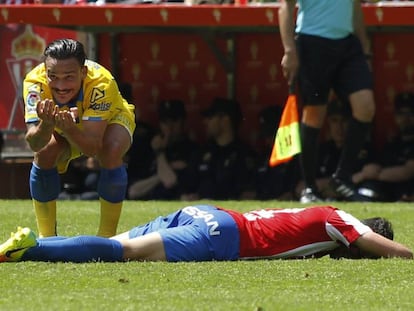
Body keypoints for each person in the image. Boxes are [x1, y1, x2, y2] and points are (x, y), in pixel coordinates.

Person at [1, 204, 412, 263]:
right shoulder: (341, 220)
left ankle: (32, 242)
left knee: (120, 244)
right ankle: (28, 251)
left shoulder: (316, 215)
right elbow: (375, 242)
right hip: (222, 233)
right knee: (120, 251)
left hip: (206, 211)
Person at [23, 38, 136, 237]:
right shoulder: (34, 83)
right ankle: (47, 237)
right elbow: (35, 143)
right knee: (45, 152)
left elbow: (92, 149)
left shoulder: (102, 82)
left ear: (83, 73)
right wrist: (47, 124)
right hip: (63, 124)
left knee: (110, 150)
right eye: (53, 76)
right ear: (44, 70)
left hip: (111, 119)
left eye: (68, 77)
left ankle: (106, 238)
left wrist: (70, 129)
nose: (60, 85)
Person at [278, 0, 376, 203]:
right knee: (314, 115)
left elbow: (355, 9)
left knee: (366, 107)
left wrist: (365, 48)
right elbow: (285, 7)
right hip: (312, 42)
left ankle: (342, 178)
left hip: (348, 44)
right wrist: (289, 51)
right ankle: (309, 188)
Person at [295, 99, 375, 200]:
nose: (339, 127)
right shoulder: (321, 151)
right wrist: (354, 178)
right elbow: (301, 187)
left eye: (344, 121)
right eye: (334, 120)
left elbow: (373, 174)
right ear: (328, 123)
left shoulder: (364, 149)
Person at [181, 98, 256, 200]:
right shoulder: (201, 152)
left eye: (210, 117)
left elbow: (246, 193)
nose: (205, 122)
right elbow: (187, 187)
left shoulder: (244, 154)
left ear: (225, 119)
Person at [128, 100, 199, 200]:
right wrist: (162, 173)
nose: (169, 127)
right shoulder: (147, 148)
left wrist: (160, 154)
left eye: (174, 121)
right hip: (146, 204)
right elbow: (133, 191)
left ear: (183, 122)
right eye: (165, 122)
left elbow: (170, 181)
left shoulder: (191, 150)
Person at [353, 92, 414, 201]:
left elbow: (408, 171)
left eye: (410, 113)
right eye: (401, 113)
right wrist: (366, 173)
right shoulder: (392, 143)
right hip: (387, 193)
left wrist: (373, 175)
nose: (406, 118)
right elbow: (376, 165)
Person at [254, 105, 299, 200]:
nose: (267, 140)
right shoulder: (263, 156)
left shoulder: (298, 158)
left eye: (271, 134)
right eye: (265, 135)